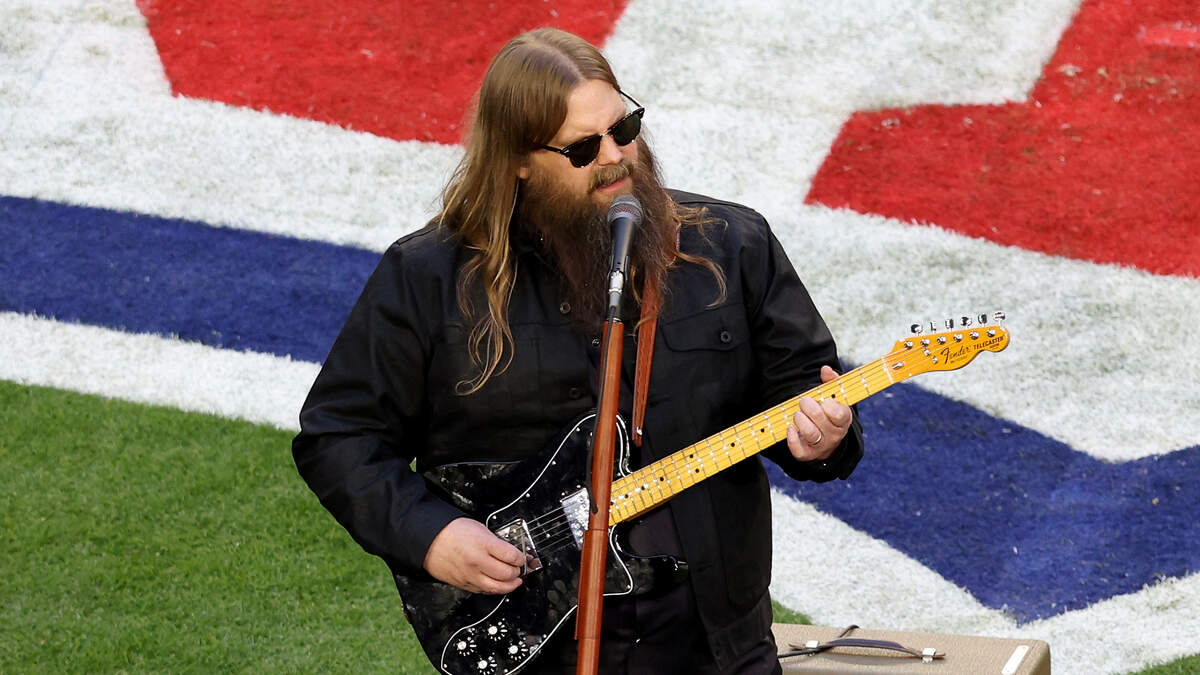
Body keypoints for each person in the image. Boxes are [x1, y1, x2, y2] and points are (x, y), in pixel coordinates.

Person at [292, 27, 863, 674]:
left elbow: (805, 396)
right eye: (585, 147)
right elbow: (339, 437)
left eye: (626, 127)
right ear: (518, 160)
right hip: (539, 646)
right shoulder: (429, 279)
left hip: (716, 648)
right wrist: (432, 535)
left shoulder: (733, 247)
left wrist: (825, 440)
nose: (617, 155)